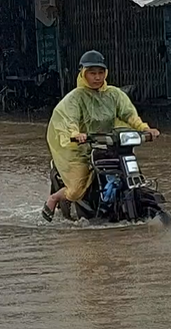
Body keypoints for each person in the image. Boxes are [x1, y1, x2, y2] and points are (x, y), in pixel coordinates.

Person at [41, 50, 160, 222]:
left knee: (129, 174)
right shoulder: (75, 98)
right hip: (80, 148)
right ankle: (55, 198)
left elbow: (129, 114)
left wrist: (145, 129)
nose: (97, 77)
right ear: (83, 73)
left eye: (100, 73)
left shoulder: (114, 94)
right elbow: (69, 119)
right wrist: (76, 134)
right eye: (92, 73)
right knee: (75, 190)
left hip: (107, 144)